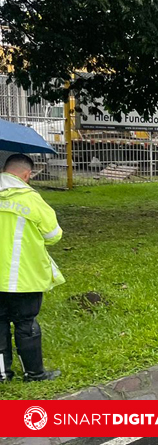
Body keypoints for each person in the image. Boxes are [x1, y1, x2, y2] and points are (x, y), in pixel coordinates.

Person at [0, 154, 63, 382]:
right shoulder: (31, 199)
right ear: (27, 175)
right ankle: (34, 373)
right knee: (26, 324)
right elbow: (53, 235)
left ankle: (2, 373)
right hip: (23, 276)